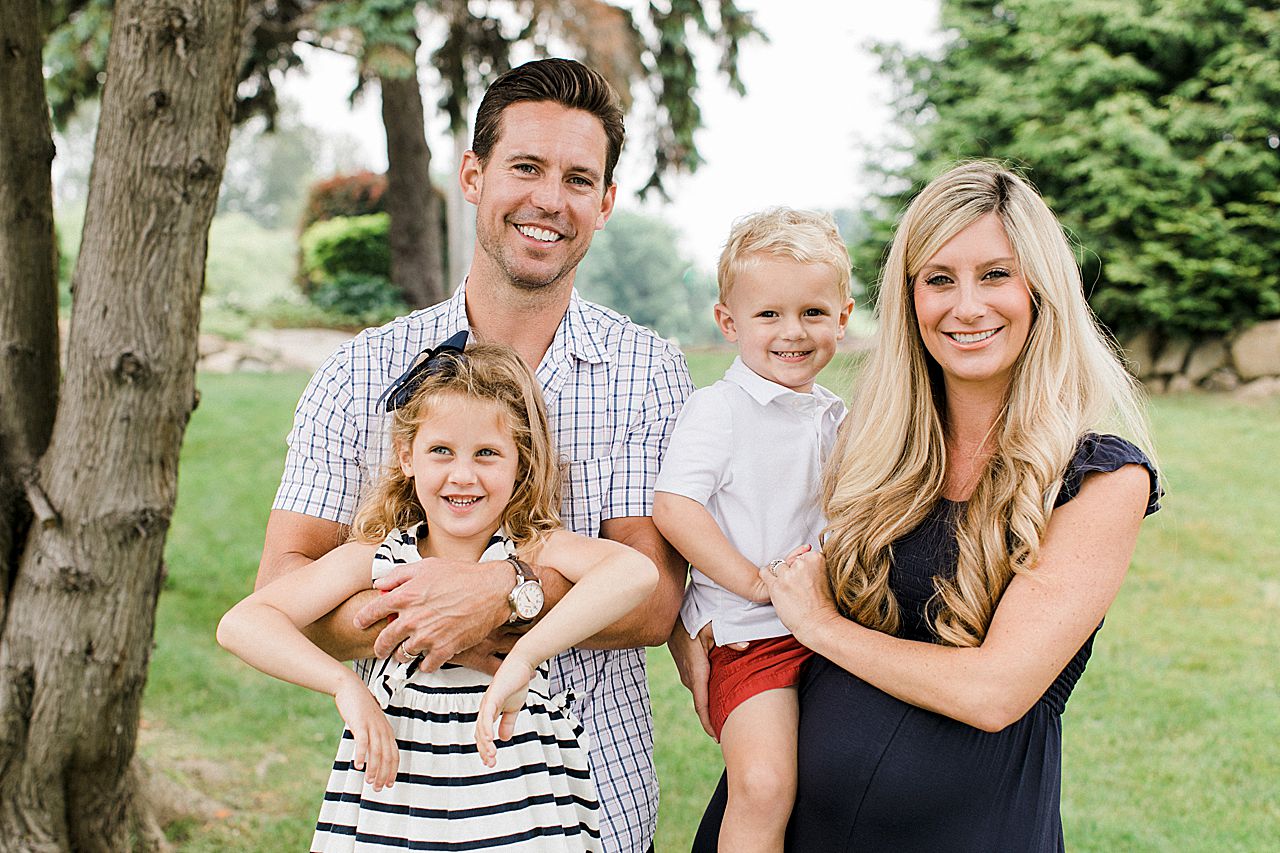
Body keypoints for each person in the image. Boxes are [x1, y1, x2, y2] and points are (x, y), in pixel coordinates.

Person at [259, 58, 691, 852]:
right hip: (408, 804)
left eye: (577, 178)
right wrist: (427, 611)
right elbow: (284, 586)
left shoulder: (647, 374)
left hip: (592, 799)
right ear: (473, 174)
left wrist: (504, 593)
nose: (548, 200)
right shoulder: (357, 374)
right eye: (526, 167)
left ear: (605, 204)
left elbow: (655, 594)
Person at [688, 161, 1162, 851]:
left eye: (995, 274)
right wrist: (691, 637)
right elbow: (709, 520)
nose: (966, 305)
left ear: (1040, 289)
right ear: (910, 299)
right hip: (793, 828)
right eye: (939, 279)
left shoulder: (1098, 479)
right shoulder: (860, 444)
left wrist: (821, 626)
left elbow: (994, 692)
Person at [219, 342, 658, 850]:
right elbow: (243, 624)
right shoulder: (379, 556)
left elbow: (636, 572)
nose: (463, 475)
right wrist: (344, 686)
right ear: (407, 456)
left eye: (487, 453)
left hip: (515, 793)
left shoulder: (530, 546)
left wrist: (528, 654)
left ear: (521, 462)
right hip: (400, 791)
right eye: (441, 451)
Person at [652, 208, 852, 852]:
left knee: (836, 786)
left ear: (843, 319)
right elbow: (676, 506)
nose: (792, 332)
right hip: (748, 636)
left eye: (813, 313)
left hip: (831, 629)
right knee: (763, 786)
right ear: (729, 322)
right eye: (768, 315)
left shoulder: (833, 414)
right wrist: (753, 583)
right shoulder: (719, 410)